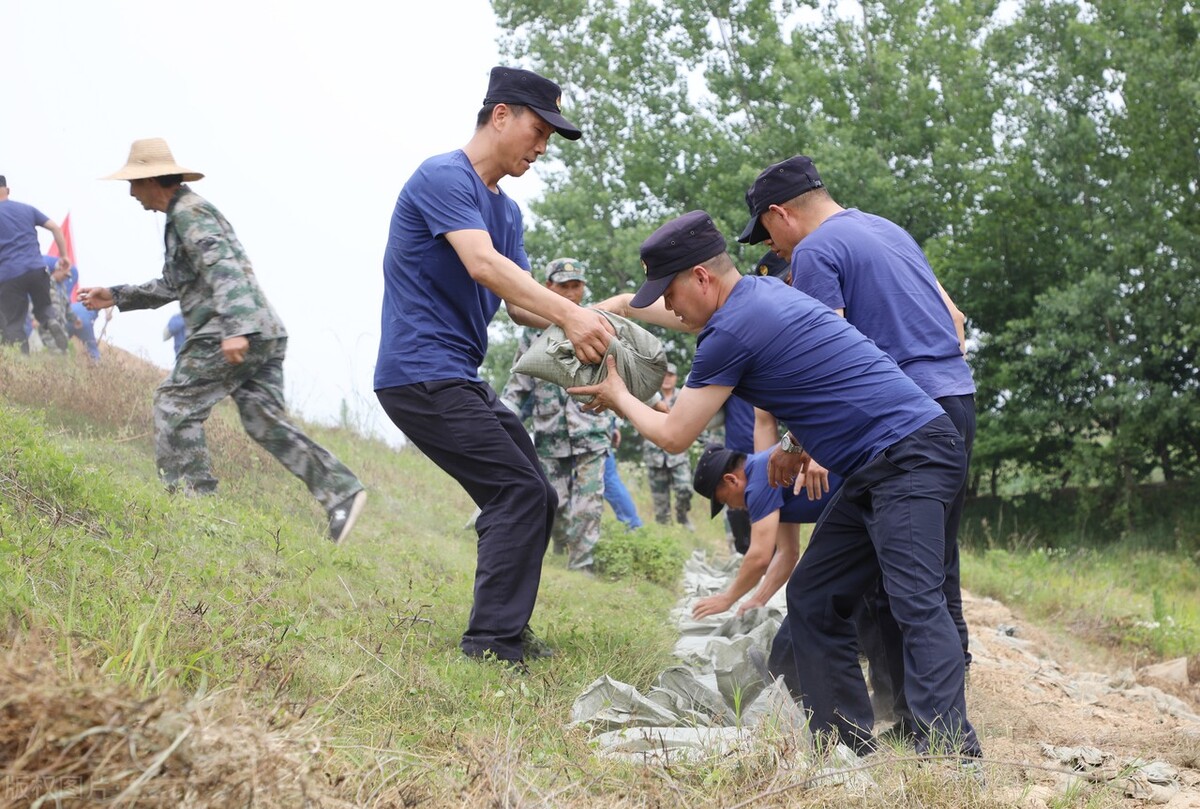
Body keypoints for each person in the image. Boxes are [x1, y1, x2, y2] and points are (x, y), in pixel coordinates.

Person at [570, 210, 980, 759]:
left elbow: (674, 434)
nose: (669, 306)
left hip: (909, 454)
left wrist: (619, 394)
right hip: (877, 462)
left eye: (669, 293)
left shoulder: (730, 332)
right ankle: (844, 745)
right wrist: (793, 444)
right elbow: (824, 376)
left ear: (701, 277)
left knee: (915, 600)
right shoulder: (763, 295)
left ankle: (953, 754)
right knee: (814, 596)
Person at [373, 66, 614, 666]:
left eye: (550, 139)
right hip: (420, 373)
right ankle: (491, 645)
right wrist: (570, 315)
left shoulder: (507, 214)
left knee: (537, 494)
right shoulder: (443, 177)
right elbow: (482, 265)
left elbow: (521, 306)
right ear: (500, 115)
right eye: (539, 131)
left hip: (456, 375)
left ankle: (502, 626)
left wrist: (606, 312)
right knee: (517, 491)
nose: (542, 148)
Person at [739, 154, 976, 736]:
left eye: (767, 233)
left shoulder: (816, 250)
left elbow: (824, 359)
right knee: (932, 573)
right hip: (955, 403)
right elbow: (956, 319)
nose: (773, 248)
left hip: (894, 424)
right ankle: (926, 717)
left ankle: (940, 735)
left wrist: (805, 443)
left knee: (901, 584)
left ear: (780, 214)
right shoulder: (887, 230)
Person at [78, 138, 367, 543]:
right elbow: (175, 283)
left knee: (174, 403)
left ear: (151, 180)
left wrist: (234, 328)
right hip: (261, 329)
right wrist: (116, 294)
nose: (130, 193)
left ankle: (192, 508)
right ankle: (341, 492)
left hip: (227, 329)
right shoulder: (184, 214)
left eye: (133, 183)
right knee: (263, 420)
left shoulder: (189, 213)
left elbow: (223, 268)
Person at [501, 258, 610, 572]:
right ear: (548, 287)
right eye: (564, 286)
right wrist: (498, 418)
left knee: (588, 503)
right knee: (554, 501)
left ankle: (582, 565)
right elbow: (518, 386)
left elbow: (619, 373)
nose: (572, 293)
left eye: (577, 286)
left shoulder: (597, 327)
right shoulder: (531, 336)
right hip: (550, 434)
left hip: (591, 429)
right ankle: (562, 548)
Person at [0, 176, 70, 353]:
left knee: (13, 324)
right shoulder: (27, 209)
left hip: (9, 275)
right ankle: (50, 320)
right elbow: (55, 228)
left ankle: (22, 362)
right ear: (7, 190)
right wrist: (64, 256)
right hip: (37, 270)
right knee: (44, 306)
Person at [642, 363, 694, 530]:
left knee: (685, 488)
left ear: (676, 378)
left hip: (678, 454)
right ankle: (664, 533)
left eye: (670, 375)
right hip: (654, 455)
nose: (666, 378)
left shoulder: (684, 396)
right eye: (664, 375)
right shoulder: (650, 396)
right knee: (660, 501)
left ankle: (682, 516)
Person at [603, 416, 643, 530]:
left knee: (609, 481)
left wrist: (613, 426)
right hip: (595, 430)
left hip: (588, 434)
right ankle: (632, 525)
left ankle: (632, 525)